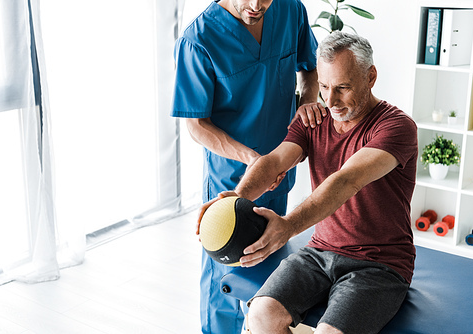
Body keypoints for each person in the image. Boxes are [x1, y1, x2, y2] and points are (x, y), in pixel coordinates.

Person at [201, 31, 418, 334]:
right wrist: (236, 200)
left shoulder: (396, 127)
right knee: (261, 315)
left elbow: (346, 180)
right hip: (319, 253)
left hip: (378, 264)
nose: (330, 100)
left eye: (342, 88)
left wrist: (288, 226)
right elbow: (275, 162)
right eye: (325, 87)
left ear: (370, 77)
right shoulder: (314, 120)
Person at [170, 0, 325, 333]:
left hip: (281, 169)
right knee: (225, 276)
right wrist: (253, 160)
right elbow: (196, 124)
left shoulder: (290, 10)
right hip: (232, 175)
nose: (256, 6)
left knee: (271, 256)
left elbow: (310, 68)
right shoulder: (198, 39)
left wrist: (308, 101)